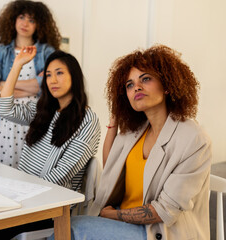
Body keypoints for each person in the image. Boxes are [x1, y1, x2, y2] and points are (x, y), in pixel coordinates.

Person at [65, 45, 212, 240]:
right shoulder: (136, 130)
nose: (137, 87)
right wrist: (114, 123)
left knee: (72, 228)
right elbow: (111, 168)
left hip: (161, 232)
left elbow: (165, 211)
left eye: (146, 79)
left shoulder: (193, 138)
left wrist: (115, 215)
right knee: (67, 227)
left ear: (168, 85)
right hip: (126, 223)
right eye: (129, 85)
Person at [0, 49, 100, 240]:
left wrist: (20, 198)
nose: (52, 80)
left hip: (47, 208)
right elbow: (4, 109)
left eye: (59, 73)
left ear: (75, 76)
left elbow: (60, 176)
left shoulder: (88, 120)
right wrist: (17, 64)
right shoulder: (43, 110)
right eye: (48, 75)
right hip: (22, 198)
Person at [0, 0, 61, 168]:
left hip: (34, 119)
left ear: (39, 25)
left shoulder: (47, 52)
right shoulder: (0, 52)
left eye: (32, 20)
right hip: (2, 123)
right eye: (22, 17)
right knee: (1, 172)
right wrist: (32, 87)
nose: (25, 23)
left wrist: (7, 84)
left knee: (31, 172)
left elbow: (49, 86)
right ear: (13, 19)